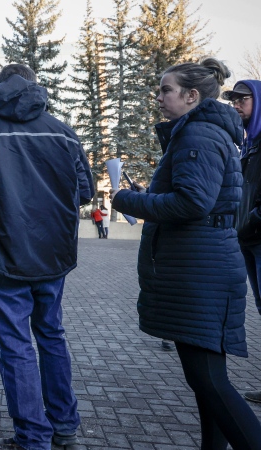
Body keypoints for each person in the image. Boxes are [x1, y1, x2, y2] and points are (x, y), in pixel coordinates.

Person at [110, 58, 261, 449]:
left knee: (209, 381)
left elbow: (193, 202)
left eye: (165, 89)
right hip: (202, 265)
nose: (159, 96)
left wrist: (132, 199)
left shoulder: (197, 135)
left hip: (201, 272)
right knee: (207, 382)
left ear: (191, 96)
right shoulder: (202, 133)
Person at [0, 64, 92, 450]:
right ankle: (64, 426)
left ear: (0, 87)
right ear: (35, 86)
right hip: (53, 254)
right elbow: (85, 190)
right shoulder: (63, 131)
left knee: (16, 343)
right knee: (51, 335)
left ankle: (32, 437)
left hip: (6, 252)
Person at [225, 79, 261, 404]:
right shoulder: (249, 146)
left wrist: (251, 223)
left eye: (242, 100)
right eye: (233, 100)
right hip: (248, 239)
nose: (236, 105)